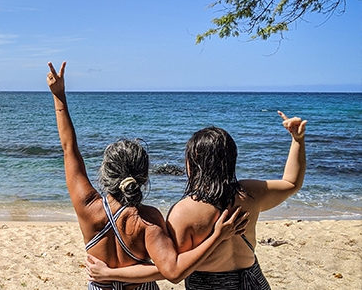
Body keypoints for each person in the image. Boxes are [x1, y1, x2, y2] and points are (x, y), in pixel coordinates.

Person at [46, 61, 249, 290]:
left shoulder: (88, 207)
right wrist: (217, 236)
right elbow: (171, 270)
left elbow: (68, 148)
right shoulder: (149, 219)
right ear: (143, 176)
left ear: (105, 171)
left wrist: (59, 96)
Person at [85, 111, 307, 289]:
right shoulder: (251, 193)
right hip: (252, 279)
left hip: (207, 284)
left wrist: (110, 274)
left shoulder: (184, 212)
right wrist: (297, 141)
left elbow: (171, 270)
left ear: (194, 162)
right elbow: (291, 183)